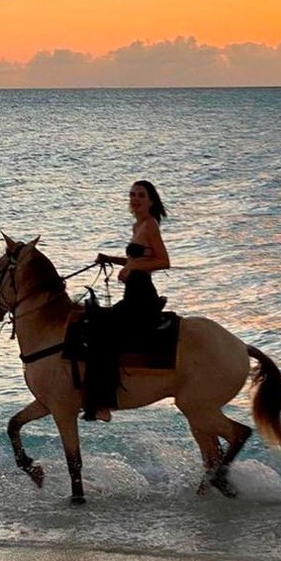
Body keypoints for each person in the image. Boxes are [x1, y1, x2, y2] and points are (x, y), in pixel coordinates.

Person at [84, 180, 171, 420]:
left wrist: (132, 265)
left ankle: (104, 401)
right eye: (132, 195)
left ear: (151, 200)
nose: (135, 199)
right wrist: (112, 259)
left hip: (142, 296)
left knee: (102, 332)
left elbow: (164, 261)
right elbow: (142, 259)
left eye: (141, 195)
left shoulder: (151, 225)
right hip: (132, 293)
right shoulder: (138, 226)